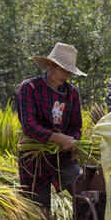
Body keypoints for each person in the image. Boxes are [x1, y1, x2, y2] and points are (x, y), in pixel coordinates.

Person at [16, 42, 85, 208]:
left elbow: (76, 126)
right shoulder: (30, 88)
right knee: (39, 212)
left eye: (69, 71)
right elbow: (29, 126)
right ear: (49, 65)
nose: (66, 75)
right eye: (62, 69)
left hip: (62, 157)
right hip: (35, 160)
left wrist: (73, 143)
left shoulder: (72, 93)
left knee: (83, 190)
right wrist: (59, 138)